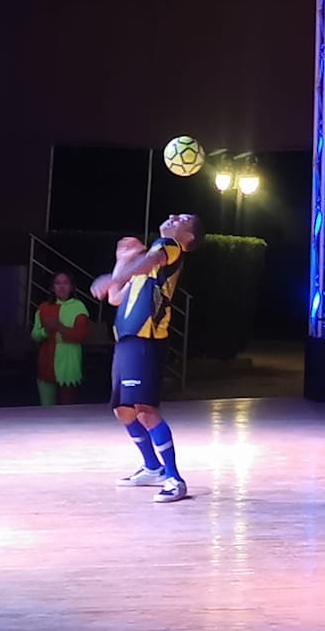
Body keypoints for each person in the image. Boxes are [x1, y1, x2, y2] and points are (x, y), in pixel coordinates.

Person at [94, 213, 199, 502]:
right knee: (123, 410)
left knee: (145, 409)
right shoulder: (145, 268)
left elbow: (148, 262)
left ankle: (174, 478)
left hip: (147, 339)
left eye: (182, 219)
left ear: (189, 237)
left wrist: (116, 275)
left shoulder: (170, 247)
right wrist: (121, 260)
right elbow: (114, 297)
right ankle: (152, 467)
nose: (173, 217)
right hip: (126, 341)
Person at [30, 273, 92, 407]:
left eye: (65, 283)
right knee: (46, 408)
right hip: (47, 361)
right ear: (52, 287)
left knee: (67, 408)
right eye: (57, 283)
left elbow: (82, 335)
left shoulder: (78, 307)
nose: (61, 287)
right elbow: (35, 335)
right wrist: (46, 331)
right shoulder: (43, 308)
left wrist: (60, 327)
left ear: (71, 287)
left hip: (69, 364)